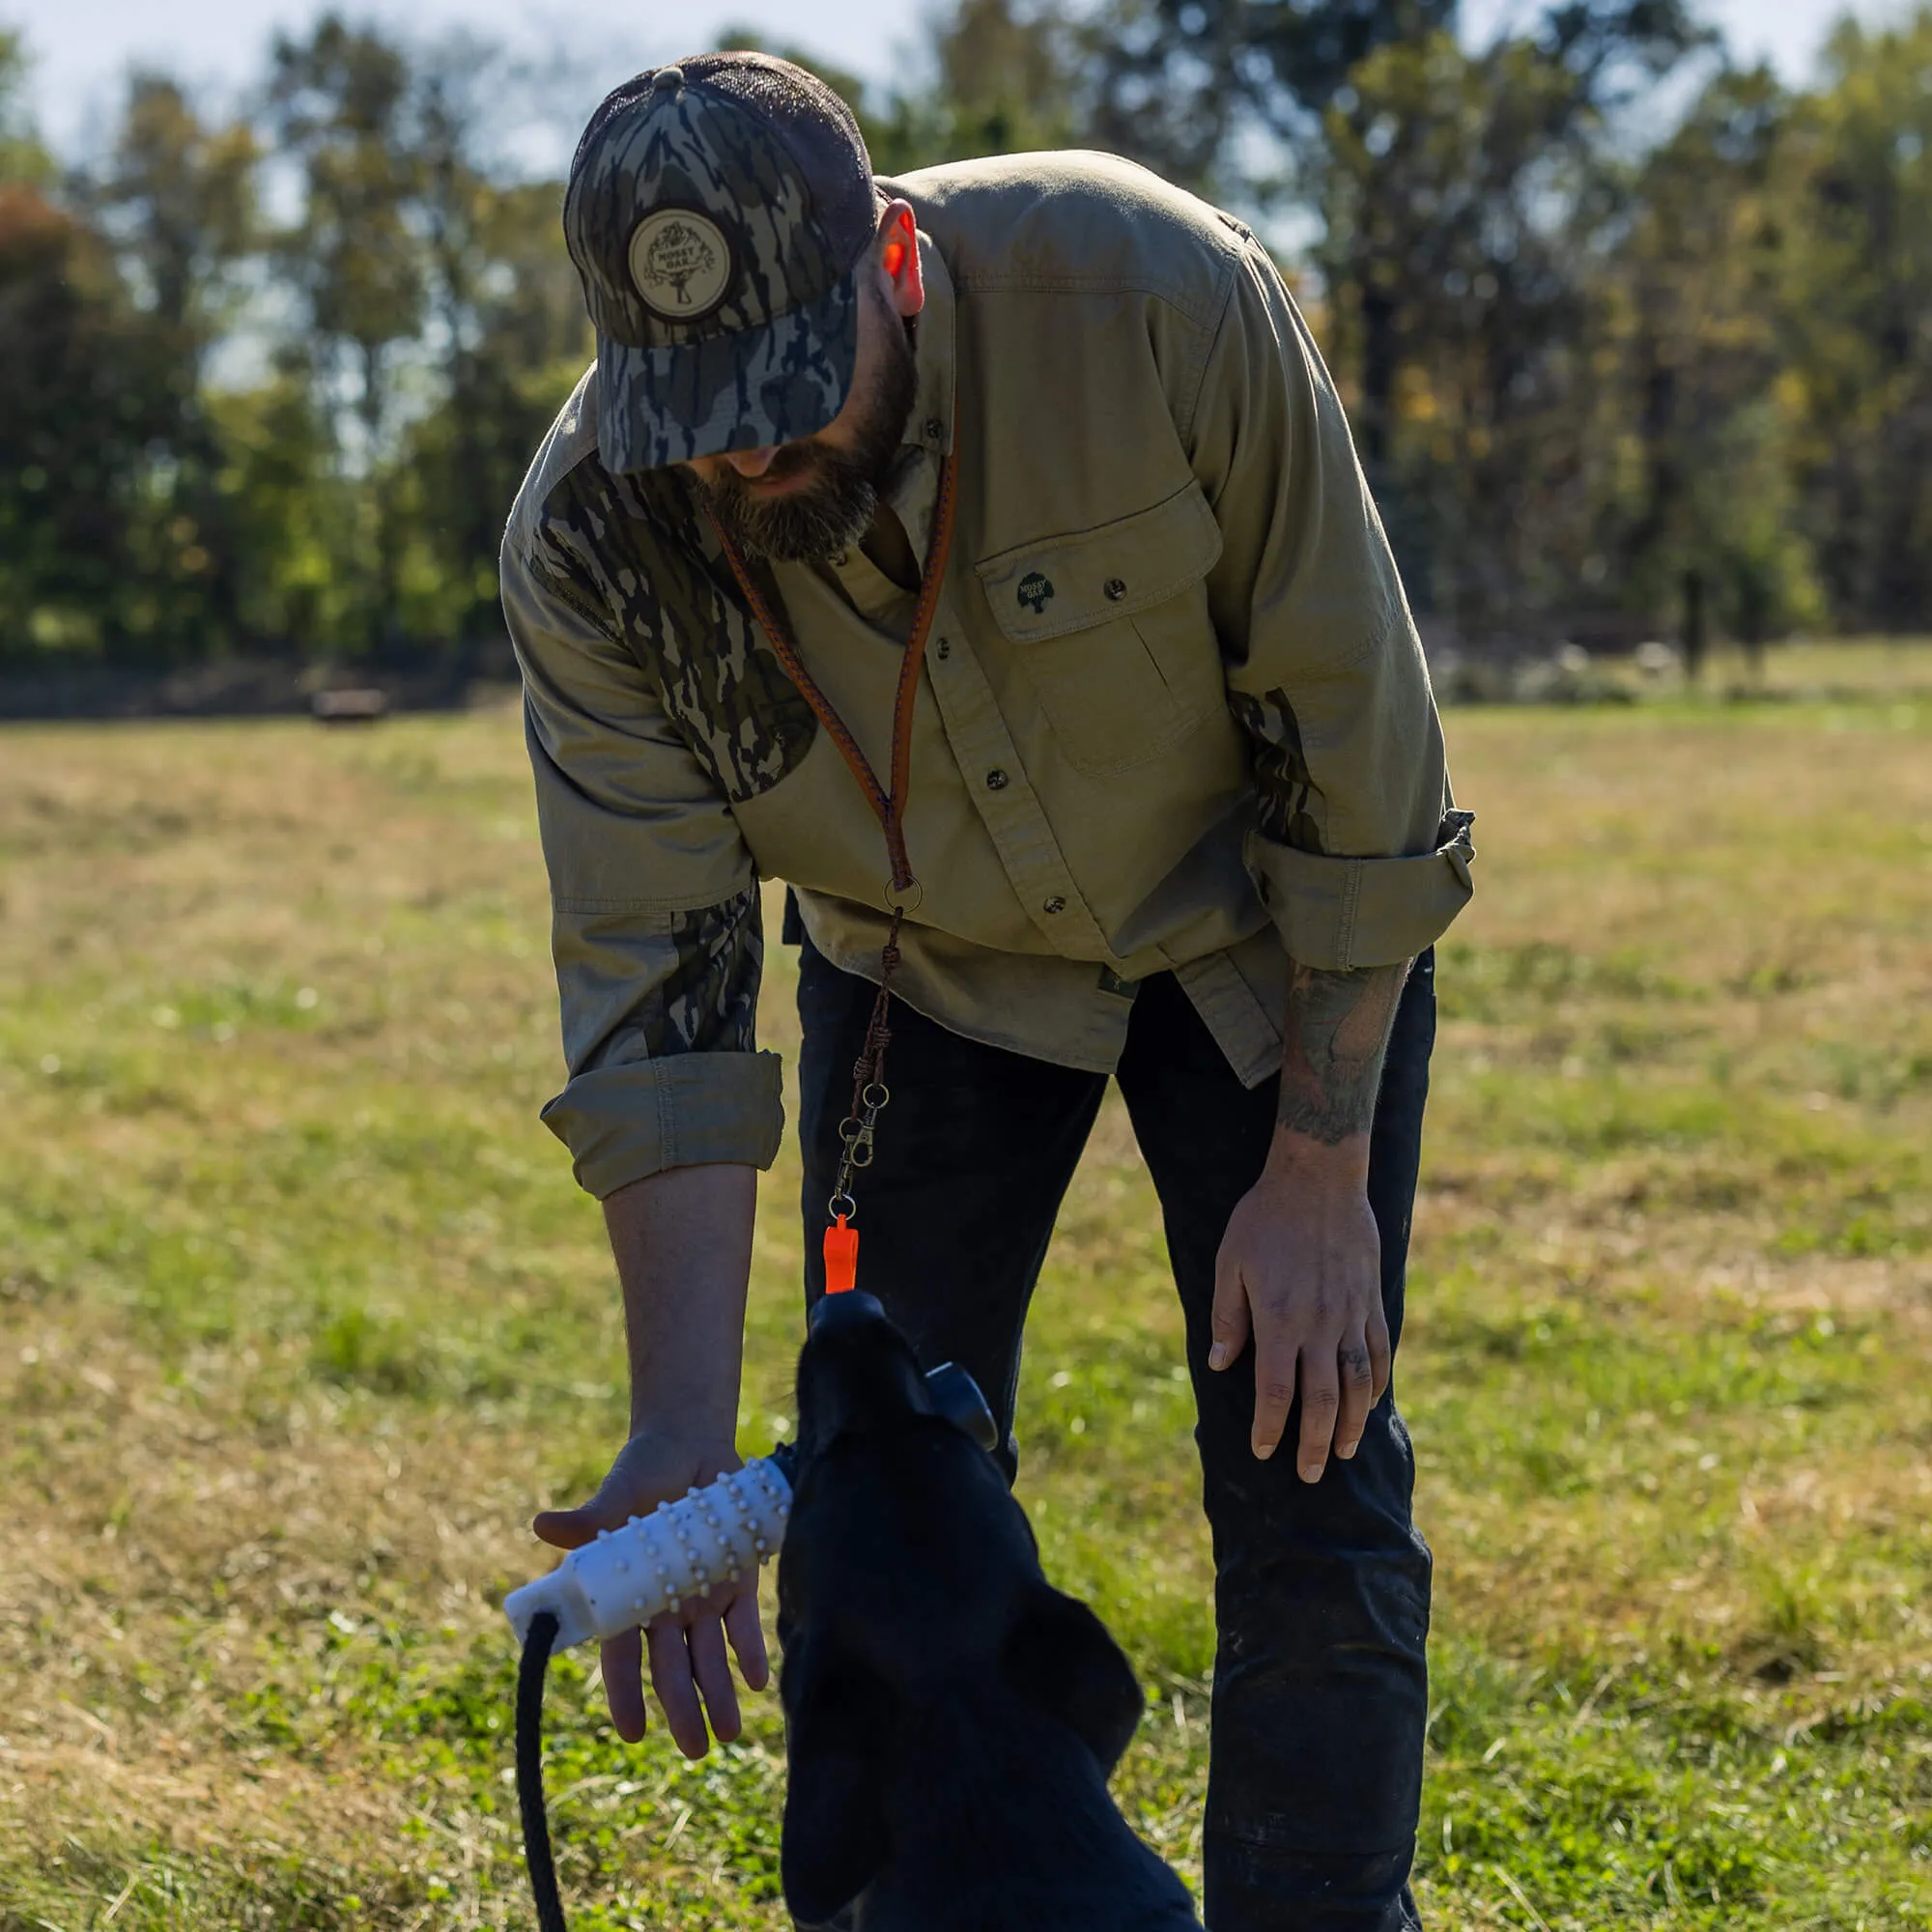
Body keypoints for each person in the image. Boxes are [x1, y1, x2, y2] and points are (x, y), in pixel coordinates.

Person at [501, 51, 1475, 1932]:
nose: (748, 458)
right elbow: (661, 991)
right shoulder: (593, 544)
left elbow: (1363, 767)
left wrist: (1316, 1171)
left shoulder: (1153, 295)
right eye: (698, 416)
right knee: (871, 1507)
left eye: (789, 391)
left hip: (1259, 936)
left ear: (897, 262)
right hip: (917, 976)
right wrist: (683, 1426)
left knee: (1310, 1470)